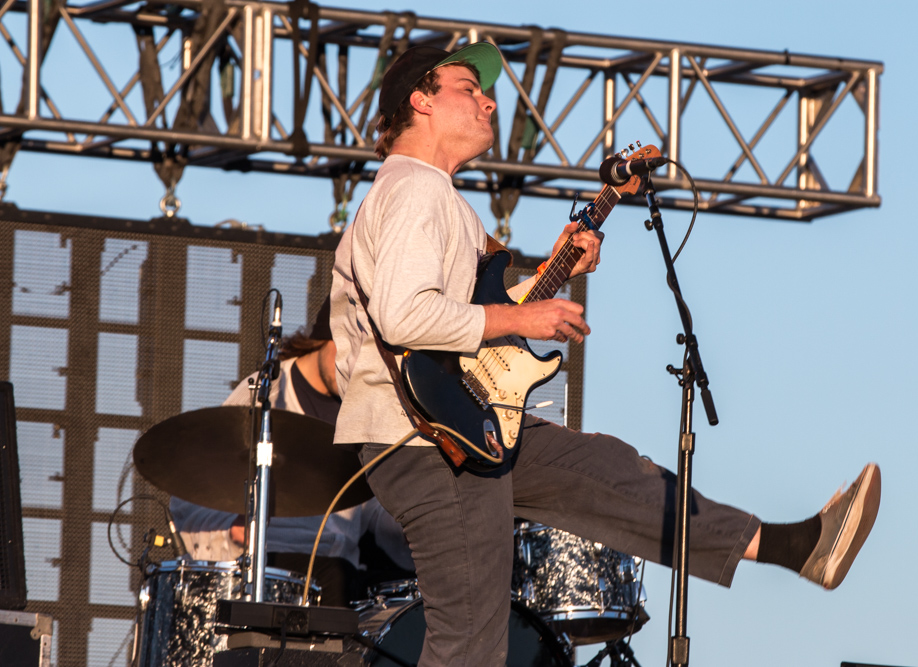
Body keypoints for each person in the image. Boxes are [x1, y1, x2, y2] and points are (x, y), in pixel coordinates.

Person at [327, 43, 881, 665]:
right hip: (426, 440)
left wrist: (550, 272)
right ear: (420, 101)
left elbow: (471, 319)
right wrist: (523, 314)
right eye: (467, 86)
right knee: (470, 640)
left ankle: (798, 546)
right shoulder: (411, 191)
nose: (488, 100)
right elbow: (406, 315)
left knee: (614, 477)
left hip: (465, 419)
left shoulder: (442, 199)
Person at [170, 303, 414, 607]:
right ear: (329, 334)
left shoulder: (368, 414)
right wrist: (231, 532)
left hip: (340, 577)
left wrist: (414, 524)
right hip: (264, 573)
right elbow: (190, 494)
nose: (356, 369)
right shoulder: (262, 395)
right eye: (353, 352)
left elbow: (372, 509)